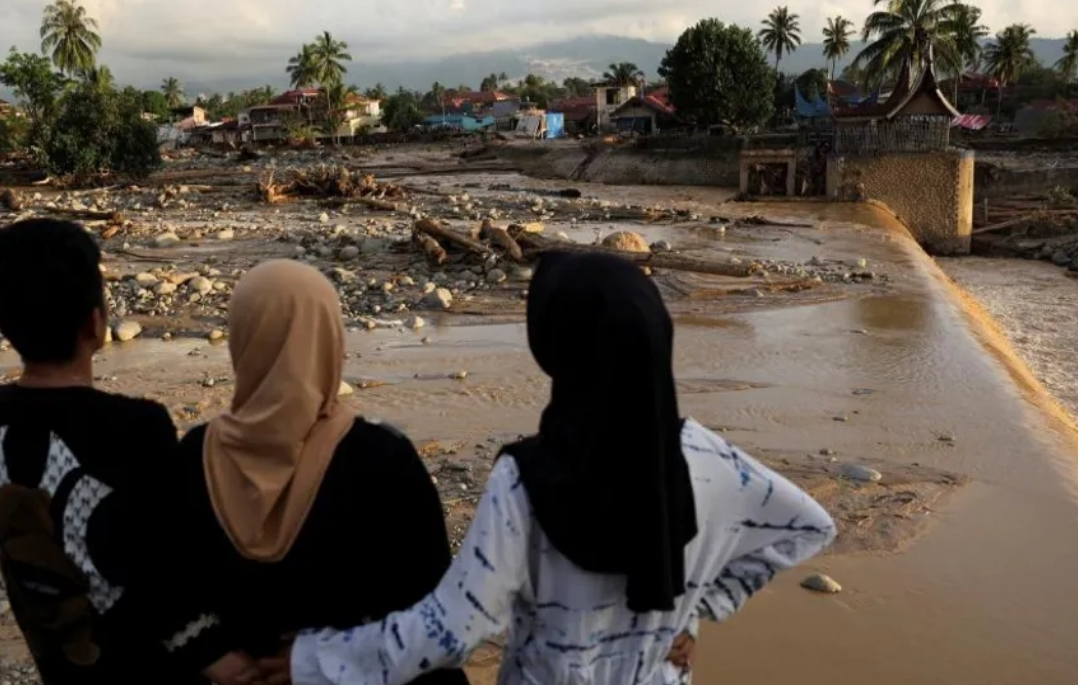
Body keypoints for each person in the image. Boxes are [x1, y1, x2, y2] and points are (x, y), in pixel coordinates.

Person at [263, 251, 838, 685]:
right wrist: (693, 616)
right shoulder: (710, 457)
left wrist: (308, 659)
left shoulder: (525, 479)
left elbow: (452, 629)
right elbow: (808, 526)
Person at [132, 259, 468, 685]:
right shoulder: (382, 462)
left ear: (242, 343)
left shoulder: (193, 457)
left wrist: (210, 654)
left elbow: (157, 586)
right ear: (330, 341)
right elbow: (432, 622)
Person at [0, 218, 248, 685]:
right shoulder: (136, 426)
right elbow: (167, 567)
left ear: (0, 321)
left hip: (60, 661)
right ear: (95, 321)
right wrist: (217, 655)